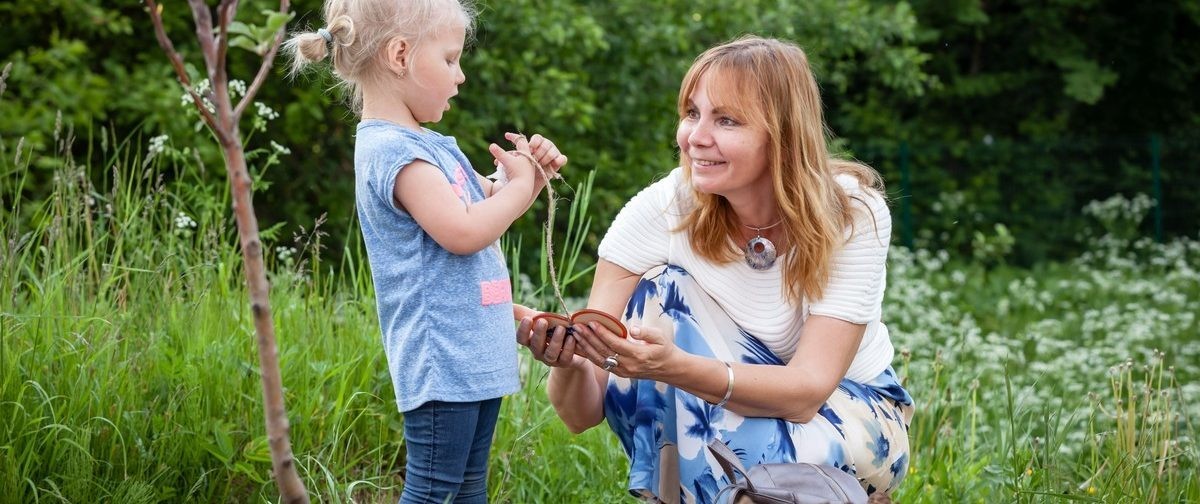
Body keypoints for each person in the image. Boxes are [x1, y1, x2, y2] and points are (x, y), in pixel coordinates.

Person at [516, 35, 913, 503]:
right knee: (658, 292)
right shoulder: (661, 209)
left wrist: (676, 368)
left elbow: (807, 391)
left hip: (848, 414)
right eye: (692, 113)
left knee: (699, 398)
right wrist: (568, 362)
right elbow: (582, 413)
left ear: (782, 133)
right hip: (717, 421)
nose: (695, 137)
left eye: (726, 119)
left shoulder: (851, 212)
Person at [285, 1, 567, 502]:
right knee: (433, 490)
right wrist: (523, 190)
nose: (459, 76)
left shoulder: (430, 144)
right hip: (443, 359)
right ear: (400, 55)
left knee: (467, 489)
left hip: (471, 353)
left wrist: (524, 174)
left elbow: (484, 201)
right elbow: (461, 231)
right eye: (450, 59)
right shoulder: (394, 152)